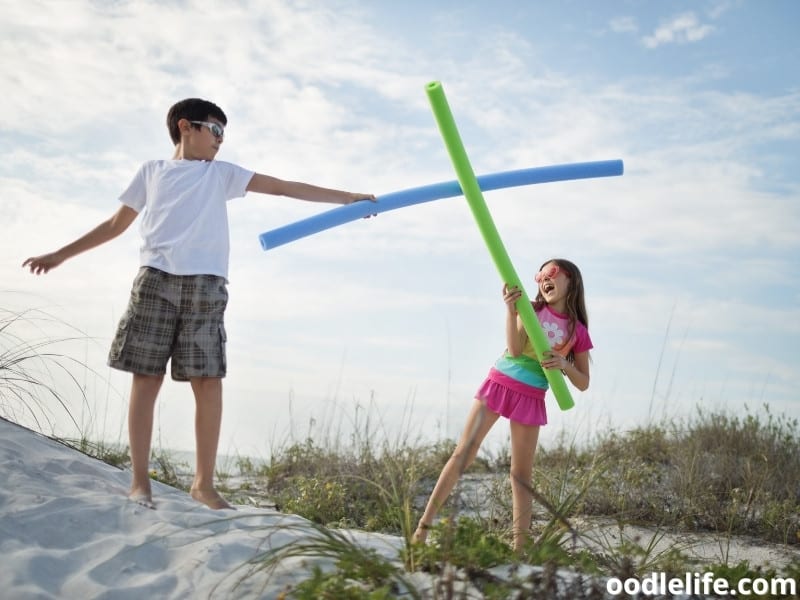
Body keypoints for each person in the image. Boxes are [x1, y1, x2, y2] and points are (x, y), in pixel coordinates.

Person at [22, 98, 375, 510]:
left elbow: (282, 186)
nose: (221, 142)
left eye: (225, 134)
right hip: (155, 279)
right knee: (146, 376)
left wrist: (348, 198)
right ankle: (140, 482)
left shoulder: (220, 176)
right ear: (186, 126)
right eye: (216, 131)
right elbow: (115, 225)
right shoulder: (152, 172)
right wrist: (59, 255)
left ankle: (203, 485)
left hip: (206, 286)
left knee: (208, 380)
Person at [412, 258, 592, 551]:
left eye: (552, 273)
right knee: (464, 453)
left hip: (532, 395)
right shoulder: (531, 310)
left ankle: (520, 549)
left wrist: (563, 364)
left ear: (571, 281)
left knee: (521, 474)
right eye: (540, 275)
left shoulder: (577, 331)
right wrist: (511, 311)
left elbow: (583, 382)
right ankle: (422, 528)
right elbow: (515, 349)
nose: (543, 279)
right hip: (500, 382)